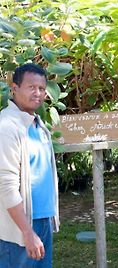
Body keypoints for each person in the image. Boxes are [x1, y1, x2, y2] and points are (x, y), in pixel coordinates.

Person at [0, 63, 59, 268]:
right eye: (31, 87)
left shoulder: (38, 125)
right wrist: (27, 231)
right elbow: (6, 186)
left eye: (42, 89)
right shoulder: (7, 127)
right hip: (18, 228)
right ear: (14, 89)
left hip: (42, 222)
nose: (38, 93)